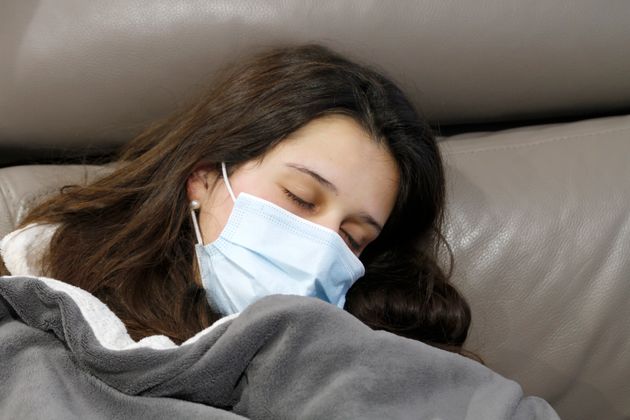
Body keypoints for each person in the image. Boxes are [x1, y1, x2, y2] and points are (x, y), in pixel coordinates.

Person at [1, 43, 471, 358]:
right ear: (203, 177)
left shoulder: (375, 343)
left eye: (353, 238)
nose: (319, 248)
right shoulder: (52, 273)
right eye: (300, 198)